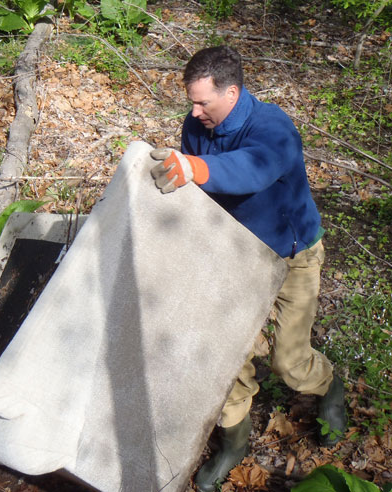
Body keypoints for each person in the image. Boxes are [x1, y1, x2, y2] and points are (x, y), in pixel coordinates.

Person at [149, 46, 347, 492]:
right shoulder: (195, 126)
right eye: (191, 100)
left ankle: (329, 387)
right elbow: (201, 192)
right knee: (224, 356)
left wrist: (195, 167)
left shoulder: (272, 127)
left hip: (292, 255)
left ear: (232, 91)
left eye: (203, 102)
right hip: (236, 255)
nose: (194, 111)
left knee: (288, 363)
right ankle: (234, 441)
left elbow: (251, 170)